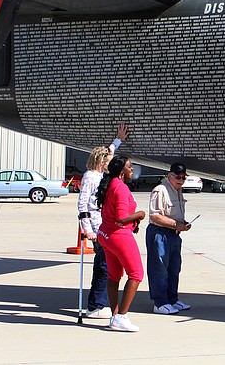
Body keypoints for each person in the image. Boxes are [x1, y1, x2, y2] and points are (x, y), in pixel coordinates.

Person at [77, 123, 129, 319]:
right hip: (97, 228)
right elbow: (82, 205)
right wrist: (87, 230)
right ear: (100, 161)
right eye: (107, 160)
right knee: (103, 266)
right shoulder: (90, 177)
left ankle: (97, 303)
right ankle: (95, 305)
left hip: (104, 227)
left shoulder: (101, 175)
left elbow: (109, 150)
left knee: (106, 264)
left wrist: (118, 140)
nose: (111, 162)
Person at [96, 155, 146, 332]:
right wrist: (140, 214)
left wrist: (133, 222)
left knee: (114, 275)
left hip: (106, 234)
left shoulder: (111, 185)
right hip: (119, 235)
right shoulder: (121, 188)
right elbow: (121, 217)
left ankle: (115, 316)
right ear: (121, 171)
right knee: (136, 273)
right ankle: (122, 316)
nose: (132, 169)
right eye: (129, 167)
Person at [147, 162, 193, 315]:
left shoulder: (178, 191)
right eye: (178, 177)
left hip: (174, 234)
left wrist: (182, 224)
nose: (181, 181)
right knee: (159, 269)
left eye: (183, 178)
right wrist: (176, 224)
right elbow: (155, 215)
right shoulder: (160, 190)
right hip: (160, 233)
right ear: (170, 176)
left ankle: (172, 299)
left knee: (174, 268)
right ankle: (160, 303)